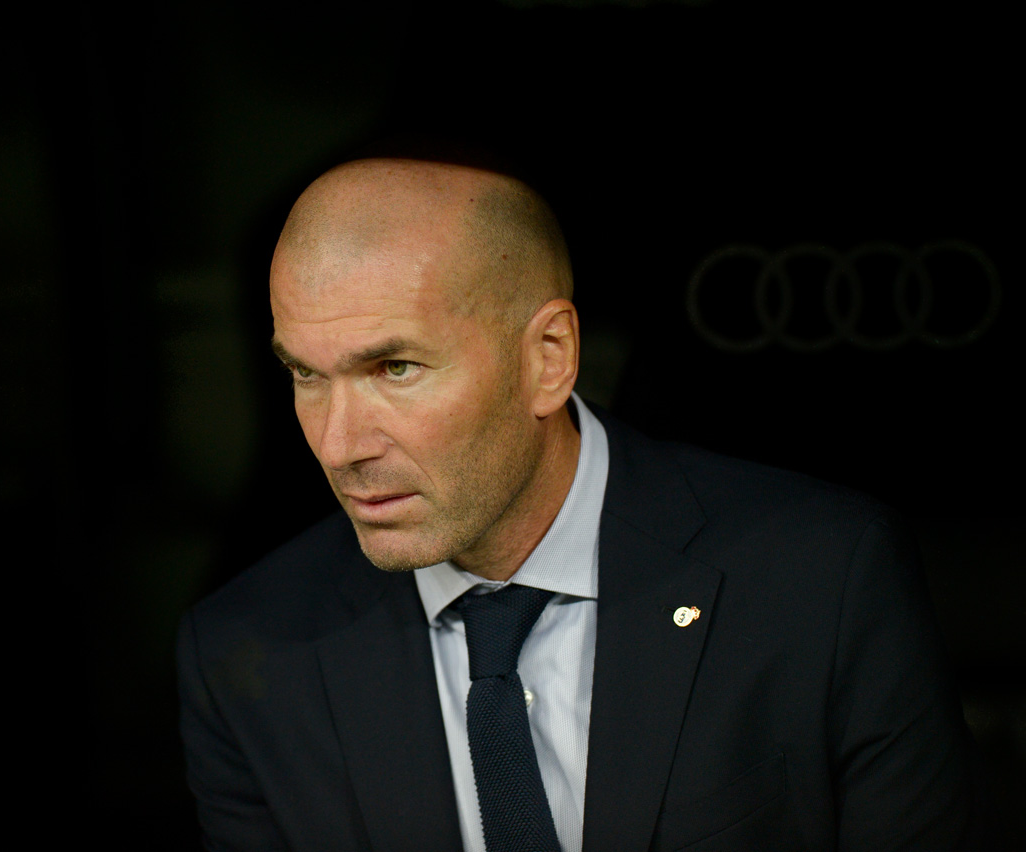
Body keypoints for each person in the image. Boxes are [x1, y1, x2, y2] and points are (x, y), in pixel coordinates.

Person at [177, 156, 987, 851]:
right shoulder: (249, 655)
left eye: (395, 369)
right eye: (306, 375)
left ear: (550, 358)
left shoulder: (822, 580)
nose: (338, 444)